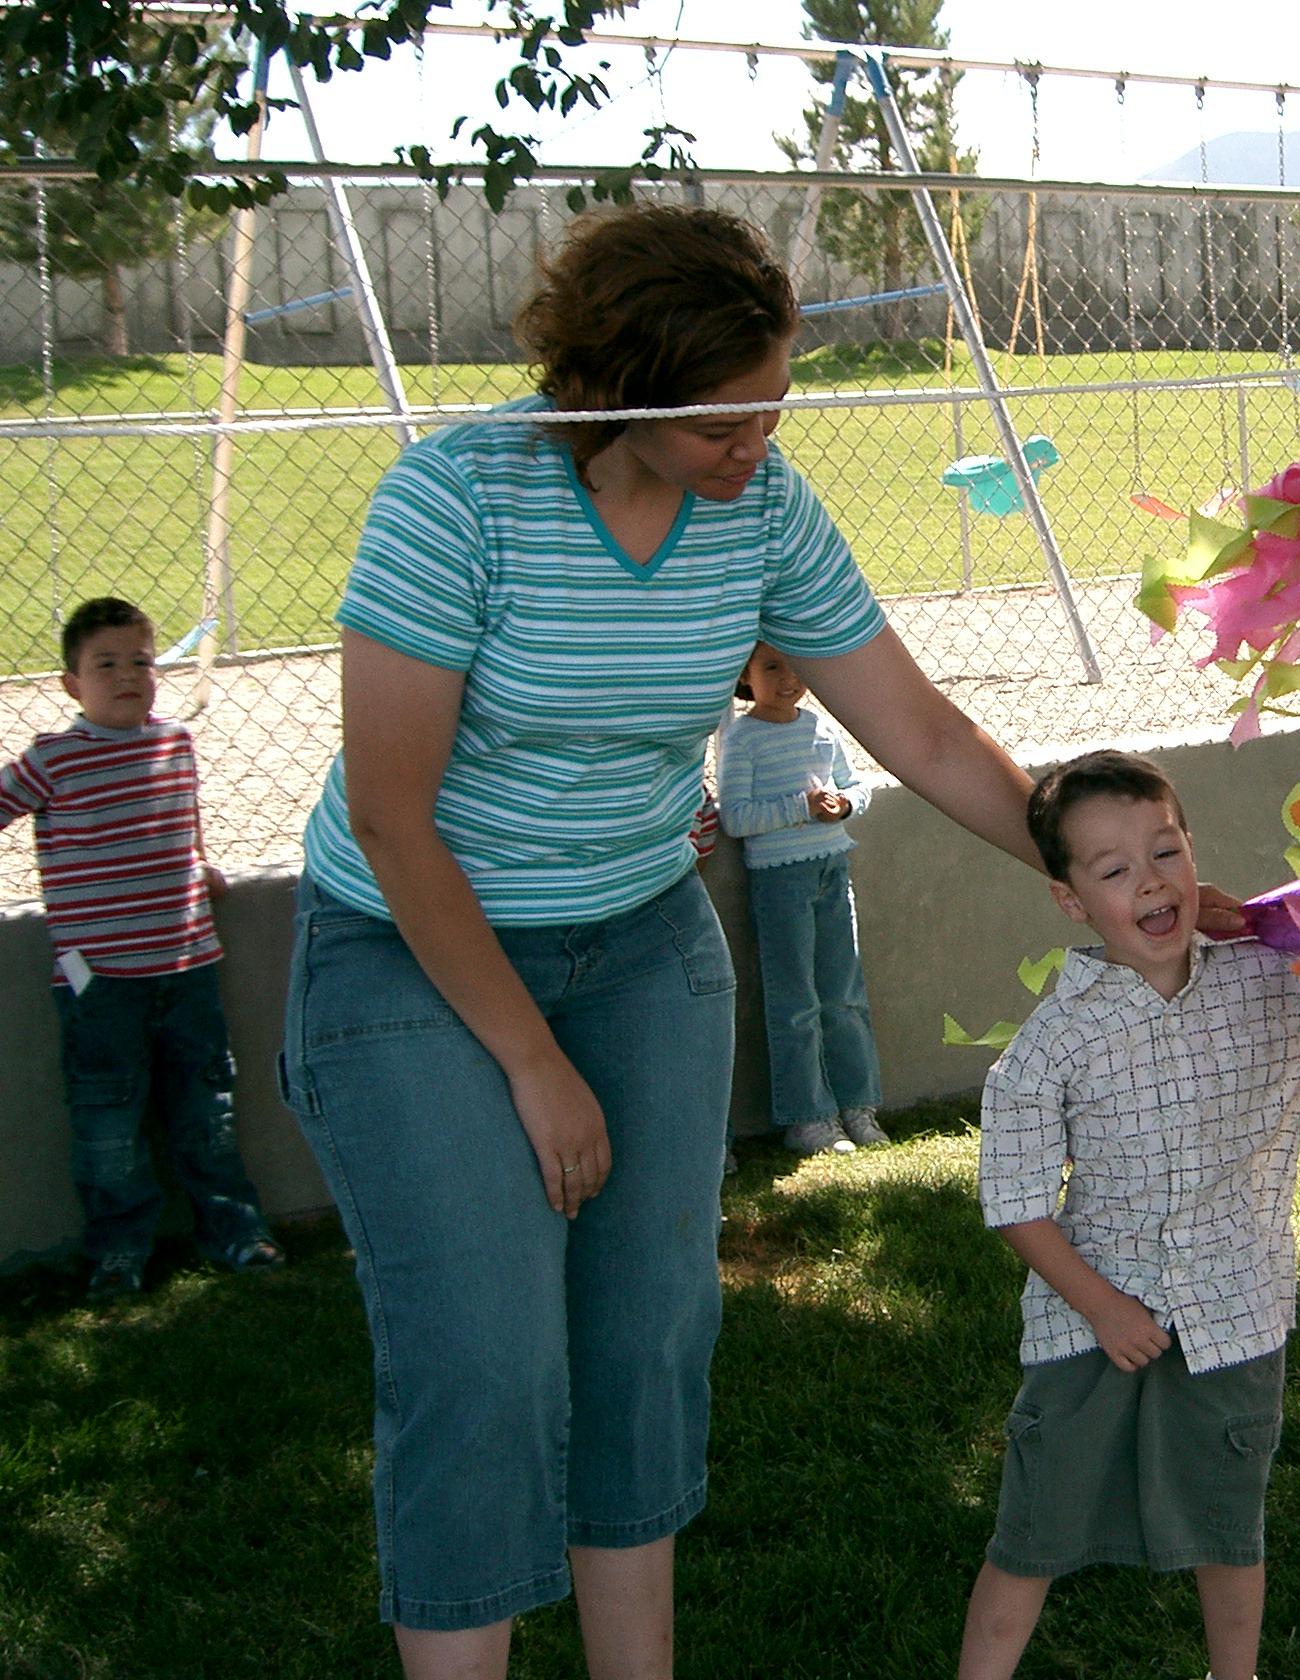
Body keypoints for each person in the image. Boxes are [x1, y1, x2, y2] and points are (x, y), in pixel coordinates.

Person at [280, 202, 1063, 1677]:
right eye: (719, 422)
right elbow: (391, 816)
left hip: (639, 944)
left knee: (645, 1344)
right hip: (412, 949)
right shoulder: (456, 499)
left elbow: (920, 731)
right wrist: (532, 1063)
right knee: (485, 1363)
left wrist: (1091, 867)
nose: (754, 446)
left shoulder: (761, 508)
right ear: (608, 392)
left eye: (773, 410)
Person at [958, 751, 1300, 1680]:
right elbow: (1015, 1203)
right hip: (1088, 1327)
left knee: (1229, 1528)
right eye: (1114, 870)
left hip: (1236, 1312)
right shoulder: (1056, 1041)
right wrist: (1103, 1308)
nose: (1151, 882)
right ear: (1071, 900)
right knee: (1034, 1531)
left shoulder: (1271, 987)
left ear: (1195, 853)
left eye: (1165, 852)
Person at [0, 597, 281, 1300]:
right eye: (106, 665)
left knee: (208, 1113)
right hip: (99, 983)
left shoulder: (175, 741)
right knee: (108, 1124)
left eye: (142, 661)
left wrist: (200, 864)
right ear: (72, 683)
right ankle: (119, 1251)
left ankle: (236, 1231)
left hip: (189, 966)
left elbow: (184, 819)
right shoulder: (53, 758)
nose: (128, 675)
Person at [718, 640, 886, 1156]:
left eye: (795, 665)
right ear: (745, 675)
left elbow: (857, 787)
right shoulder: (742, 739)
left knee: (843, 992)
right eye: (771, 666)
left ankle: (857, 1104)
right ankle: (807, 1117)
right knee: (795, 1000)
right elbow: (736, 817)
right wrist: (801, 806)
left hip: (832, 869)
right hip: (779, 880)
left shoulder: (820, 728)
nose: (787, 678)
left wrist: (843, 807)